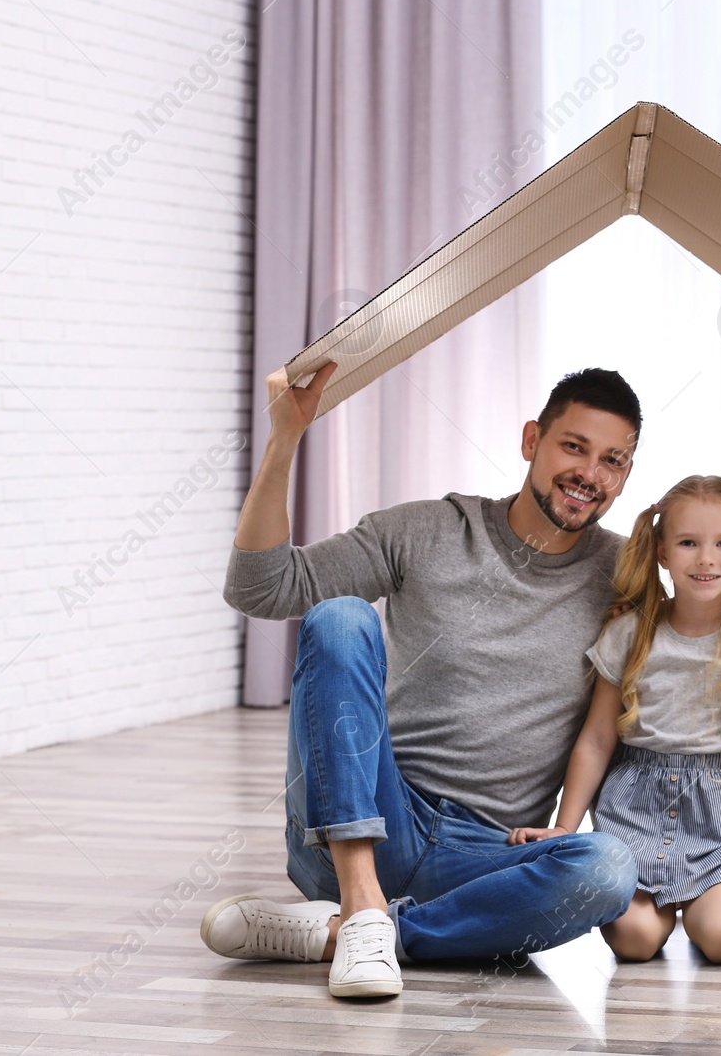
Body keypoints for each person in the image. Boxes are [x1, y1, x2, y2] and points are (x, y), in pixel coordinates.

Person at [200, 360, 644, 998]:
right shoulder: (428, 531)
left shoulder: (625, 576)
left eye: (613, 461)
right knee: (341, 620)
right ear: (531, 441)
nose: (589, 474)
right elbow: (259, 587)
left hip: (488, 857)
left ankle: (354, 933)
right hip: (371, 817)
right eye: (573, 446)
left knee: (608, 868)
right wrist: (285, 439)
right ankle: (359, 898)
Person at [510, 475, 721, 965]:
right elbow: (595, 739)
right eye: (689, 543)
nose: (706, 558)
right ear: (662, 551)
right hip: (634, 808)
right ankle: (662, 911)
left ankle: (706, 904)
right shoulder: (629, 634)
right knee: (633, 941)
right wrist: (564, 828)